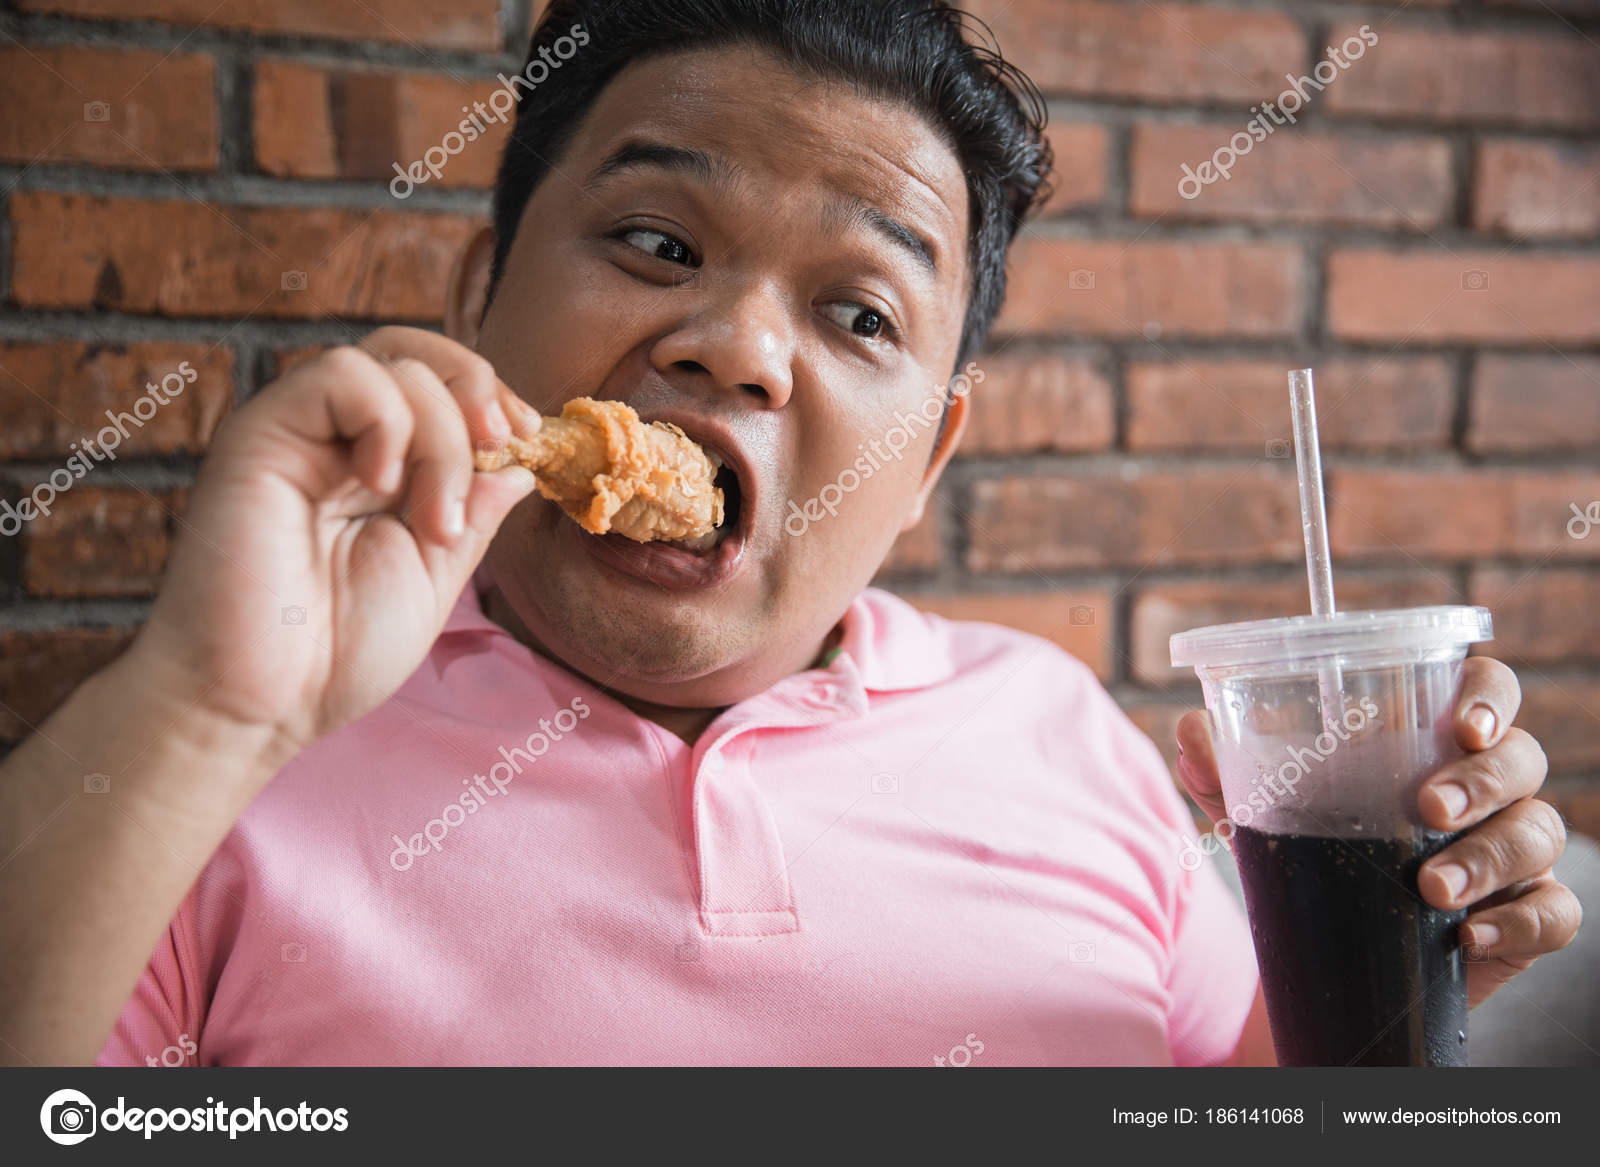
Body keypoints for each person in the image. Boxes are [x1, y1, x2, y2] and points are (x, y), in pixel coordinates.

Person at [0, 0, 1578, 1067]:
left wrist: (1405, 997)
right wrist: (205, 709)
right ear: (481, 306)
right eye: (654, 239)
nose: (739, 349)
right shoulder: (200, 772)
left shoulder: (1072, 746)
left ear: (928, 459)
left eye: (859, 312)